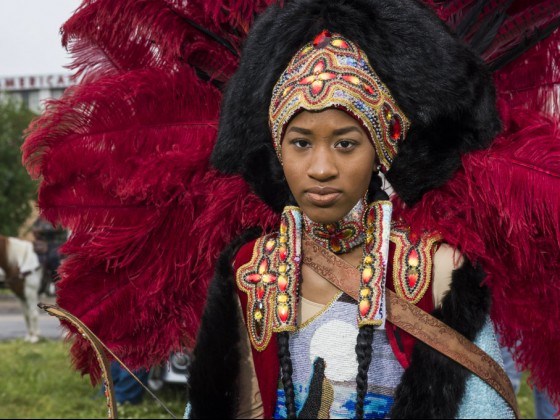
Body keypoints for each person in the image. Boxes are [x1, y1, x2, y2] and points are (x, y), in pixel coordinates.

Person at [20, 0, 560, 419]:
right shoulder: (250, 270)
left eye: (345, 143)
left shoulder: (434, 270)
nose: (321, 168)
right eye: (301, 143)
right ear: (277, 150)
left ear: (382, 149)